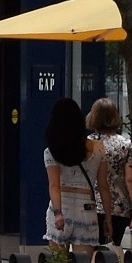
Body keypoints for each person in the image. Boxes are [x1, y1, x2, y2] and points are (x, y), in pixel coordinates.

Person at [42, 98, 93, 249]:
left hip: (62, 205)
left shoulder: (51, 152)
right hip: (86, 208)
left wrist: (58, 213)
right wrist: (108, 218)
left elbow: (54, 186)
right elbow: (102, 185)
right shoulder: (96, 149)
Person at [85, 100, 132, 249]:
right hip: (118, 208)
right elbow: (130, 179)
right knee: (110, 254)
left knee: (87, 253)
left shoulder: (87, 144)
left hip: (89, 205)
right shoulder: (126, 145)